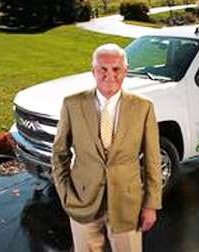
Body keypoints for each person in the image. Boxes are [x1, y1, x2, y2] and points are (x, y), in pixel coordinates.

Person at [52, 43, 162, 252]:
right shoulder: (72, 104)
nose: (109, 75)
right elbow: (59, 154)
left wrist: (151, 204)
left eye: (116, 69)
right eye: (103, 69)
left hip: (128, 205)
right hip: (82, 201)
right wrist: (66, 194)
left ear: (125, 71)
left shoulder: (143, 107)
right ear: (93, 71)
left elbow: (152, 159)